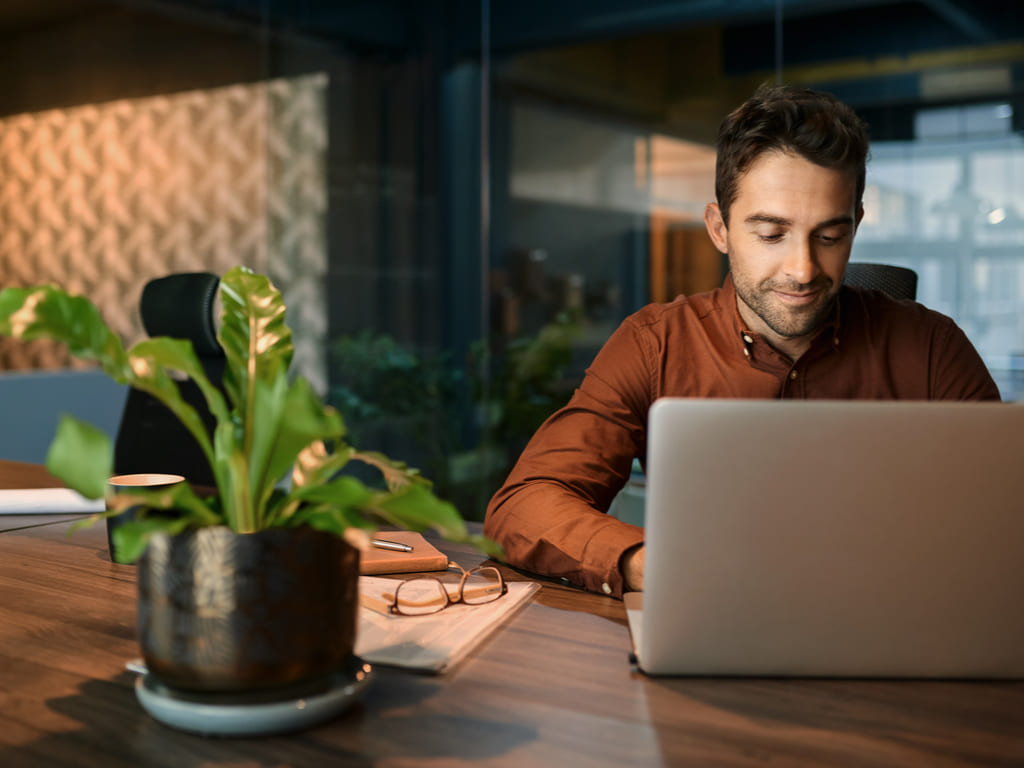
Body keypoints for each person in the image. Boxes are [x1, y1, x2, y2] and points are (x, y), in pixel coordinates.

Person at [483, 83, 1002, 599]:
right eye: (771, 234)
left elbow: (1003, 519)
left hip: (895, 624)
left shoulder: (933, 348)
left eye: (829, 236)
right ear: (720, 228)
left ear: (856, 226)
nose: (802, 270)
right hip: (709, 620)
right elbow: (524, 505)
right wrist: (650, 565)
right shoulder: (654, 344)